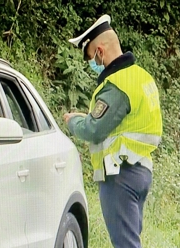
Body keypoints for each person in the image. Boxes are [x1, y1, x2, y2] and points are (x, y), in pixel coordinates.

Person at [63, 14, 163, 248]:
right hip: (141, 171)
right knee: (130, 241)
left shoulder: (117, 85)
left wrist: (71, 121)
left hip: (120, 175)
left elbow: (94, 129)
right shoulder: (141, 77)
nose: (91, 63)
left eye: (90, 57)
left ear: (100, 50)